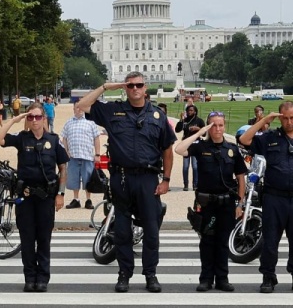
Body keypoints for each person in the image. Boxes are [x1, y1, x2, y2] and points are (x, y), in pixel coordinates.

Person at [76, 71, 175, 293]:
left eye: (138, 85)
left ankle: (150, 274)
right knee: (122, 231)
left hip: (148, 178)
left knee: (151, 229)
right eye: (130, 86)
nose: (135, 89)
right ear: (125, 88)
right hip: (121, 178)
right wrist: (105, 87)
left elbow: (168, 150)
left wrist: (166, 179)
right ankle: (124, 274)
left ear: (145, 87)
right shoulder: (113, 110)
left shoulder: (157, 115)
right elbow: (82, 105)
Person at [239, 101, 293, 294]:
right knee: (270, 240)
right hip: (274, 198)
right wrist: (265, 120)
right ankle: (268, 276)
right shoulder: (269, 138)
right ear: (279, 117)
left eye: (292, 117)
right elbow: (244, 139)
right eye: (284, 118)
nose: (289, 121)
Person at [0, 102, 69, 293]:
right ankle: (30, 278)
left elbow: (62, 168)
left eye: (37, 117)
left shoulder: (53, 139)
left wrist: (61, 194)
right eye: (31, 117)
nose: (34, 120)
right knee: (27, 239)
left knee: (44, 239)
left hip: (46, 197)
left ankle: (42, 278)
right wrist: (14, 119)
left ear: (44, 118)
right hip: (25, 196)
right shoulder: (22, 138)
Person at [175, 112, 246, 292]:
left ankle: (222, 278)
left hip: (226, 202)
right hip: (206, 203)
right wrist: (200, 133)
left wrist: (240, 204)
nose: (217, 129)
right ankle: (206, 278)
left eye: (220, 125)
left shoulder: (232, 149)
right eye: (213, 125)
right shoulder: (200, 147)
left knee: (222, 242)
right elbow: (179, 149)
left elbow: (241, 178)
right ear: (208, 127)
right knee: (207, 241)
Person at [60, 102, 101, 210]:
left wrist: (97, 154)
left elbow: (96, 138)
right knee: (74, 179)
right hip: (73, 156)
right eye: (76, 108)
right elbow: (64, 138)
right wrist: (65, 151)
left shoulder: (91, 122)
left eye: (81, 107)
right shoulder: (68, 123)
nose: (79, 109)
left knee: (88, 179)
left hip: (87, 156)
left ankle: (88, 200)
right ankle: (76, 199)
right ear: (73, 109)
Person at [175, 105, 205, 191]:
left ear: (195, 111)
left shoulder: (199, 121)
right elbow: (177, 130)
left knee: (195, 166)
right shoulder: (185, 120)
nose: (189, 112)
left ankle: (195, 184)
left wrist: (198, 128)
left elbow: (204, 134)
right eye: (188, 110)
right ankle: (186, 184)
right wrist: (181, 120)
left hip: (196, 145)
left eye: (191, 110)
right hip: (186, 145)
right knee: (185, 166)